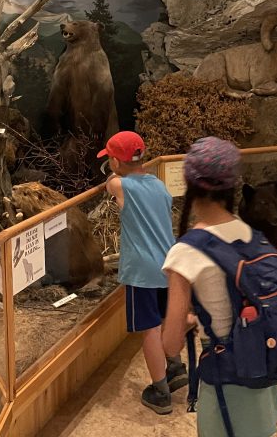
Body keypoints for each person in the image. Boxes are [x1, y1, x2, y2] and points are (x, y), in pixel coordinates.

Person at [161, 137, 277, 437]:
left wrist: (190, 321)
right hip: (262, 368)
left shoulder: (187, 250)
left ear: (191, 186)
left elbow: (170, 344)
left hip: (226, 377)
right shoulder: (250, 234)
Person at [101, 130, 187, 414]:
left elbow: (110, 183)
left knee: (149, 329)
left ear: (115, 161)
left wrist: (114, 173)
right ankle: (175, 367)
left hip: (142, 272)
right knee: (165, 319)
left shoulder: (120, 185)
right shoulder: (159, 185)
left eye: (110, 158)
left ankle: (160, 390)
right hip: (168, 265)